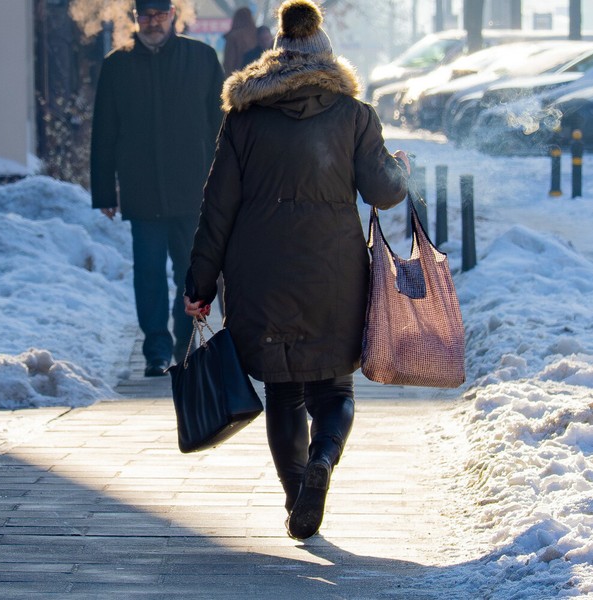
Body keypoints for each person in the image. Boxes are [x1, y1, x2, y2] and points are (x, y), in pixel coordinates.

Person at [182, 0, 411, 540]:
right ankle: (323, 462)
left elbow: (217, 206)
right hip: (334, 274)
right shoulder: (354, 116)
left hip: (259, 276)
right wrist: (401, 171)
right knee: (334, 391)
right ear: (326, 57)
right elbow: (383, 191)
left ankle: (296, 501)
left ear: (276, 56)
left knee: (284, 393)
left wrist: (200, 282)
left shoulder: (244, 120)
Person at [90, 0, 225, 377]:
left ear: (172, 16)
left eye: (159, 15)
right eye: (145, 16)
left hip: (192, 188)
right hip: (141, 188)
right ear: (135, 18)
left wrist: (227, 183)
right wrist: (104, 191)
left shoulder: (201, 59)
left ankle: (186, 344)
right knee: (147, 272)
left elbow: (222, 125)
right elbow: (105, 132)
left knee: (191, 272)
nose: (152, 22)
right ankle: (154, 349)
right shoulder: (117, 65)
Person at [221, 7, 259, 74]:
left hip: (238, 77)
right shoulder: (257, 34)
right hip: (258, 76)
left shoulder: (233, 37)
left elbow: (229, 63)